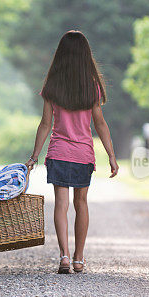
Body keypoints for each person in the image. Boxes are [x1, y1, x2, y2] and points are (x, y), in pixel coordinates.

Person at [26, 30, 119, 274]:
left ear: (61, 56)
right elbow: (100, 124)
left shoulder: (52, 87)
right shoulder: (92, 87)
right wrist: (111, 155)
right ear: (85, 56)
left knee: (61, 204)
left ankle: (64, 256)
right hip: (83, 155)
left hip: (58, 152)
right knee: (81, 203)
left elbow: (45, 124)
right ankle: (79, 258)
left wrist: (34, 156)